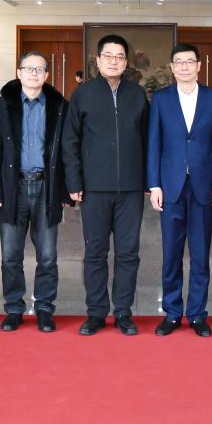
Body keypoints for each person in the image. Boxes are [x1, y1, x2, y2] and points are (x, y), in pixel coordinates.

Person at [63, 34, 149, 336]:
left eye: (120, 57)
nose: (114, 61)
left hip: (131, 188)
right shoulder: (83, 94)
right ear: (98, 60)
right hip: (94, 188)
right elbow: (70, 141)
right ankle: (96, 312)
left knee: (128, 253)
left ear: (126, 62)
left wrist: (149, 181)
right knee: (95, 252)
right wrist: (74, 181)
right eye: (108, 56)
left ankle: (123, 312)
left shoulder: (137, 94)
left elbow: (147, 140)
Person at [148, 43, 212, 338]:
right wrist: (154, 184)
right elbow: (154, 143)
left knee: (200, 254)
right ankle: (172, 313)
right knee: (171, 254)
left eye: (189, 61)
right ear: (172, 67)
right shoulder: (161, 99)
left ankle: (197, 314)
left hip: (203, 187)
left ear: (198, 66)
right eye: (179, 62)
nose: (184, 66)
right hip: (170, 187)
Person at [0, 52, 71, 333]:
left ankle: (44, 308)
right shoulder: (2, 106)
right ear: (19, 73)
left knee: (47, 255)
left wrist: (65, 191)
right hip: (14, 187)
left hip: (47, 186)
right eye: (28, 69)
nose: (34, 74)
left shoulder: (60, 106)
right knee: (10, 255)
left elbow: (67, 151)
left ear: (46, 75)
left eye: (39, 69)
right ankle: (14, 309)